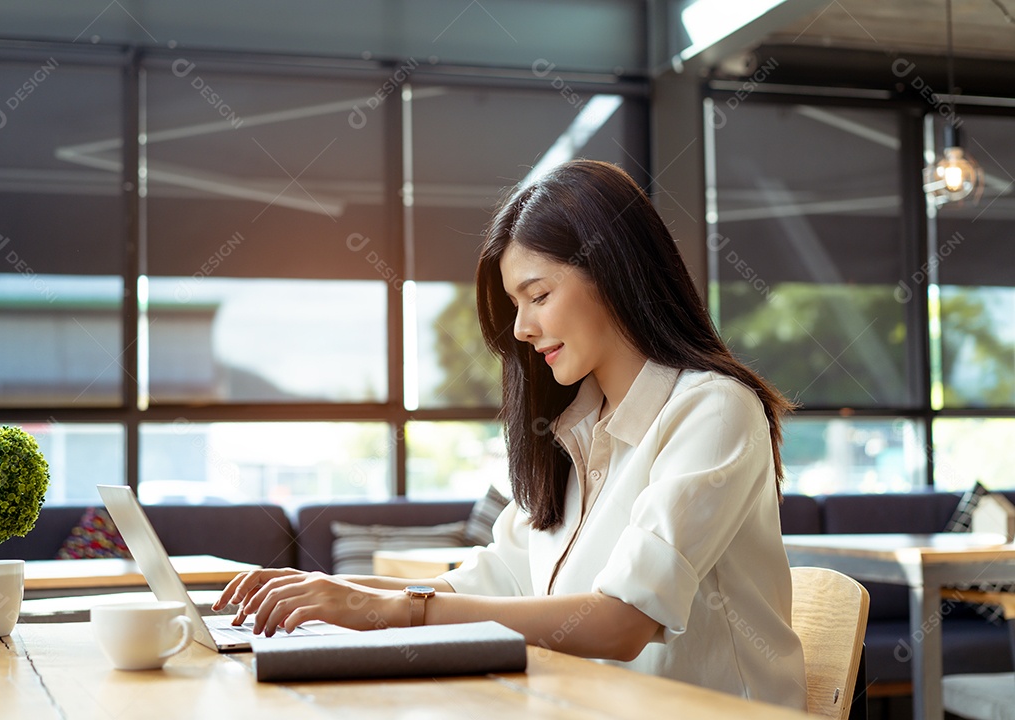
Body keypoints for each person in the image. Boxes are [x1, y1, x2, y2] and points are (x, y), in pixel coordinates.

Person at [213, 159, 807, 709]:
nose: (521, 328)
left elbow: (624, 623)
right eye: (515, 305)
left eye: (538, 295)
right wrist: (324, 591)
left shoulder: (714, 410)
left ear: (616, 272)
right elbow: (493, 580)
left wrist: (387, 609)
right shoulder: (574, 431)